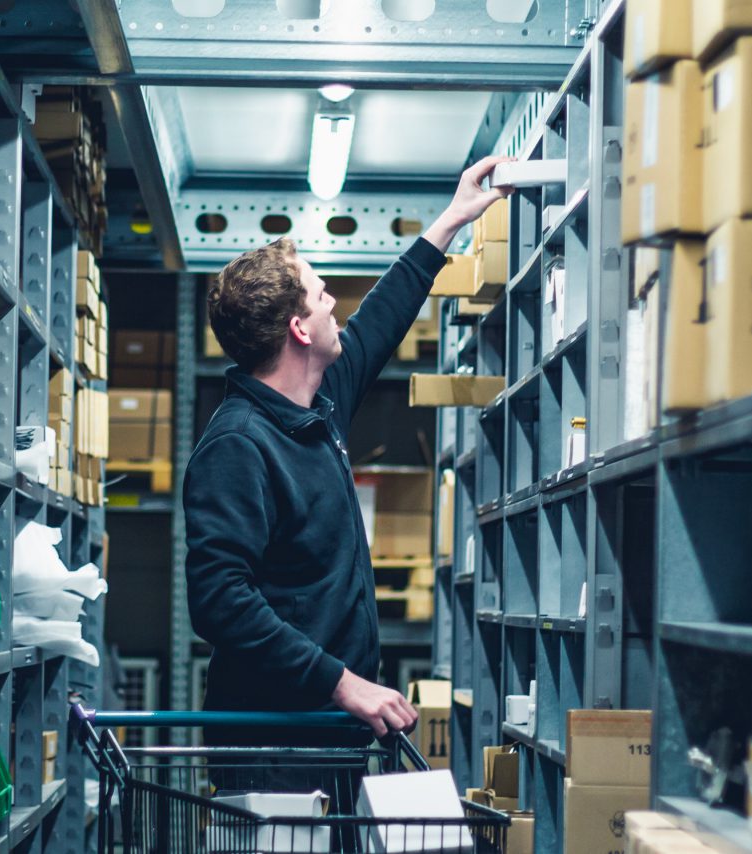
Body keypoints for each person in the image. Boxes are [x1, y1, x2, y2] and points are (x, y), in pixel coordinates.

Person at [183, 156, 514, 778]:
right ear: (299, 328)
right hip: (271, 748)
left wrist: (451, 219)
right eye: (319, 291)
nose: (334, 300)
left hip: (325, 733)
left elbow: (379, 323)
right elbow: (218, 600)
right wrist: (341, 683)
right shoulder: (238, 446)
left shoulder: (316, 408)